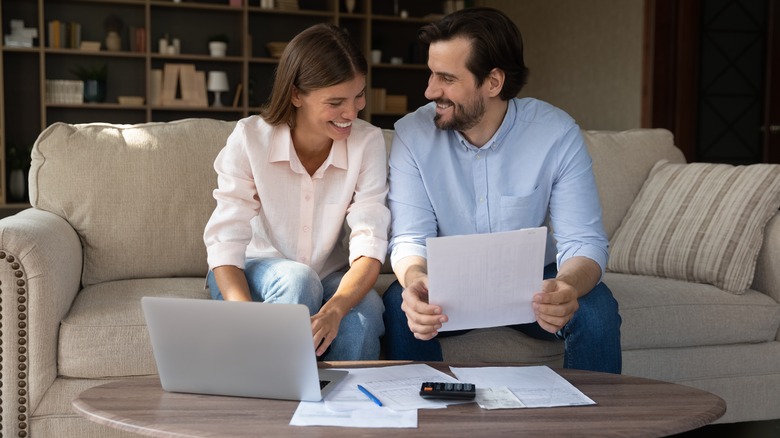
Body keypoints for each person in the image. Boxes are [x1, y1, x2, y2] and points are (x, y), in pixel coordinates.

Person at [382, 7, 622, 373]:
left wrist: (568, 286)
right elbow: (410, 237)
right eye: (431, 74)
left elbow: (584, 241)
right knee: (399, 302)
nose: (430, 91)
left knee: (598, 309)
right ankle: (424, 425)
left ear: (493, 82)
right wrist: (416, 279)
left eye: (446, 78)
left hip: (532, 288)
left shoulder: (556, 134)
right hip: (447, 287)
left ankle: (594, 427)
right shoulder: (412, 135)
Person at [203, 23, 389, 361]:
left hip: (326, 274)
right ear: (296, 94)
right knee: (298, 280)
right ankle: (277, 400)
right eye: (336, 102)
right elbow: (225, 240)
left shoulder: (368, 142)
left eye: (358, 95)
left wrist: (335, 310)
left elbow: (369, 239)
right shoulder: (249, 139)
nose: (352, 112)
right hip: (250, 270)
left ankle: (348, 410)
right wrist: (245, 319)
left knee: (366, 308)